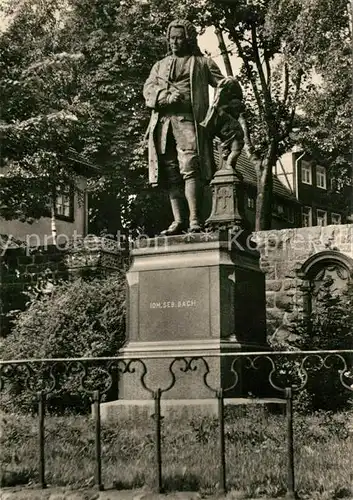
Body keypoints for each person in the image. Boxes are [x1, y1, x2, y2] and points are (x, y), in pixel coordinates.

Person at [143, 19, 225, 235]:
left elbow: (224, 87)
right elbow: (148, 89)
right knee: (171, 173)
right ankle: (179, 220)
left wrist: (216, 114)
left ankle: (195, 220)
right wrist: (165, 96)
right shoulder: (159, 65)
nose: (174, 42)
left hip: (189, 123)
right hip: (163, 126)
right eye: (171, 38)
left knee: (190, 168)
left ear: (188, 39)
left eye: (179, 38)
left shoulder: (202, 63)